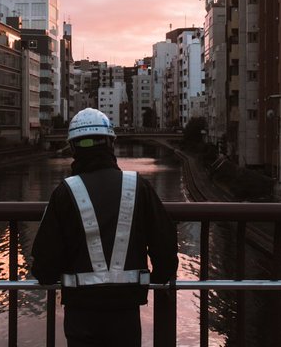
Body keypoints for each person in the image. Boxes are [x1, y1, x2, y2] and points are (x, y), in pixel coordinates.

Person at [31, 108, 178, 347]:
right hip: (126, 308)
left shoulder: (64, 192)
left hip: (81, 311)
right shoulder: (137, 186)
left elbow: (45, 264)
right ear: (111, 144)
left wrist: (49, 274)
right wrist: (160, 276)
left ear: (74, 148)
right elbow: (165, 242)